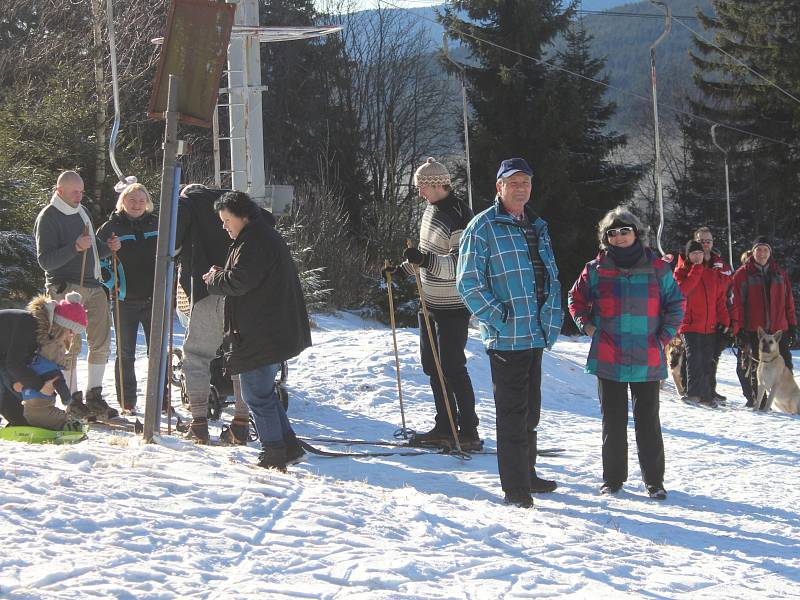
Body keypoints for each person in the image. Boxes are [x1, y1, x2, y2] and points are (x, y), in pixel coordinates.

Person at [457, 158, 562, 508]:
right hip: (506, 336)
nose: (521, 188)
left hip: (534, 332)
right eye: (513, 182)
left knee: (530, 412)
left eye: (526, 182)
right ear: (499, 187)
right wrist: (498, 318)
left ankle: (527, 473)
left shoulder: (536, 225)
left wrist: (551, 317)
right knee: (513, 414)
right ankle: (515, 487)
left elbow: (549, 274)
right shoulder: (483, 227)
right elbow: (469, 283)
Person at [568, 207, 683, 501]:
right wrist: (589, 326)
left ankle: (654, 481)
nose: (619, 237)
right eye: (612, 233)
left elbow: (675, 303)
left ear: (636, 233)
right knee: (613, 422)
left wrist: (665, 335)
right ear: (606, 238)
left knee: (648, 421)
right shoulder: (595, 269)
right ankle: (613, 479)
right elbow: (575, 298)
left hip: (646, 355)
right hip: (609, 355)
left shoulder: (658, 268)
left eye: (624, 231)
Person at [205, 191, 312, 471]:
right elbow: (247, 275)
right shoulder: (257, 236)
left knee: (257, 395)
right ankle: (288, 446)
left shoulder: (255, 240)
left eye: (227, 219)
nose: (224, 226)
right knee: (264, 392)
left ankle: (273, 452)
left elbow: (241, 281)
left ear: (243, 216)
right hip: (267, 328)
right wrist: (224, 273)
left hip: (261, 330)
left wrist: (216, 279)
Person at [384, 157, 479, 450]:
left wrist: (424, 261)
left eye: (422, 187)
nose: (420, 192)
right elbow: (424, 255)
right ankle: (444, 424)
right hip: (429, 302)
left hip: (453, 304)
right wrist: (401, 270)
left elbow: (458, 264)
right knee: (432, 366)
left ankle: (468, 430)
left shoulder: (460, 214)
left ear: (436, 184)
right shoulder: (430, 211)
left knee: (451, 365)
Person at [174, 184, 261, 444]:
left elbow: (172, 240)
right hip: (242, 293)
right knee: (239, 356)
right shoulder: (237, 204)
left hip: (208, 290)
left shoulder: (186, 204)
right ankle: (241, 422)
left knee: (197, 356)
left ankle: (198, 423)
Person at [33, 170, 120, 419]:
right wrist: (74, 247)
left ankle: (95, 396)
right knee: (70, 346)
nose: (79, 196)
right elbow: (45, 261)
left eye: (81, 191)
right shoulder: (48, 217)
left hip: (94, 285)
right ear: (59, 191)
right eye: (75, 192)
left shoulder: (82, 211)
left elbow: (91, 250)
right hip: (66, 287)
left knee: (101, 342)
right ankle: (73, 399)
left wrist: (107, 249)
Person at [96, 183, 158, 413]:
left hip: (155, 299)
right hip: (125, 300)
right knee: (125, 354)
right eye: (132, 200)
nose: (136, 205)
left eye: (141, 201)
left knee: (158, 353)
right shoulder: (110, 228)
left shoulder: (157, 223)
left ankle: (159, 399)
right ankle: (127, 402)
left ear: (147, 203)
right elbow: (97, 262)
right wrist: (110, 250)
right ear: (123, 201)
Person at [0, 292, 88, 430]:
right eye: (70, 332)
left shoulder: (41, 332)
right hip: (5, 358)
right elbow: (13, 364)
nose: (70, 336)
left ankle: (19, 420)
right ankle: (17, 419)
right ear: (61, 326)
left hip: (4, 356)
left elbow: (22, 363)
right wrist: (40, 386)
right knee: (7, 390)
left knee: (19, 399)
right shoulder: (29, 325)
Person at [730, 236, 797, 407]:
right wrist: (738, 330)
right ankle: (757, 402)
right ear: (752, 252)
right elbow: (736, 305)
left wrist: (792, 326)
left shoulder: (779, 273)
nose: (762, 253)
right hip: (754, 329)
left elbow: (789, 301)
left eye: (765, 249)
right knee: (753, 368)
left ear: (770, 253)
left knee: (785, 367)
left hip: (778, 329)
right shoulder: (742, 274)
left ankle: (791, 402)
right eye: (758, 249)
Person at [672, 239, 730, 407]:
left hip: (709, 325)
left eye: (700, 253)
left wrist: (725, 319)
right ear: (688, 255)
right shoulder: (680, 273)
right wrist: (696, 270)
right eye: (693, 253)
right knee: (694, 358)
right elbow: (684, 291)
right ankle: (693, 393)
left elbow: (719, 300)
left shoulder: (712, 274)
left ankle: (705, 396)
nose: (697, 256)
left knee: (706, 360)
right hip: (689, 325)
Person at [692, 226, 733, 402]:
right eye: (702, 241)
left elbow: (729, 293)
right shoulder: (689, 262)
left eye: (708, 241)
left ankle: (710, 389)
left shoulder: (722, 265)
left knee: (712, 357)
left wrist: (730, 321)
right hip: (696, 318)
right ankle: (695, 390)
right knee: (695, 356)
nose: (705, 244)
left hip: (719, 317)